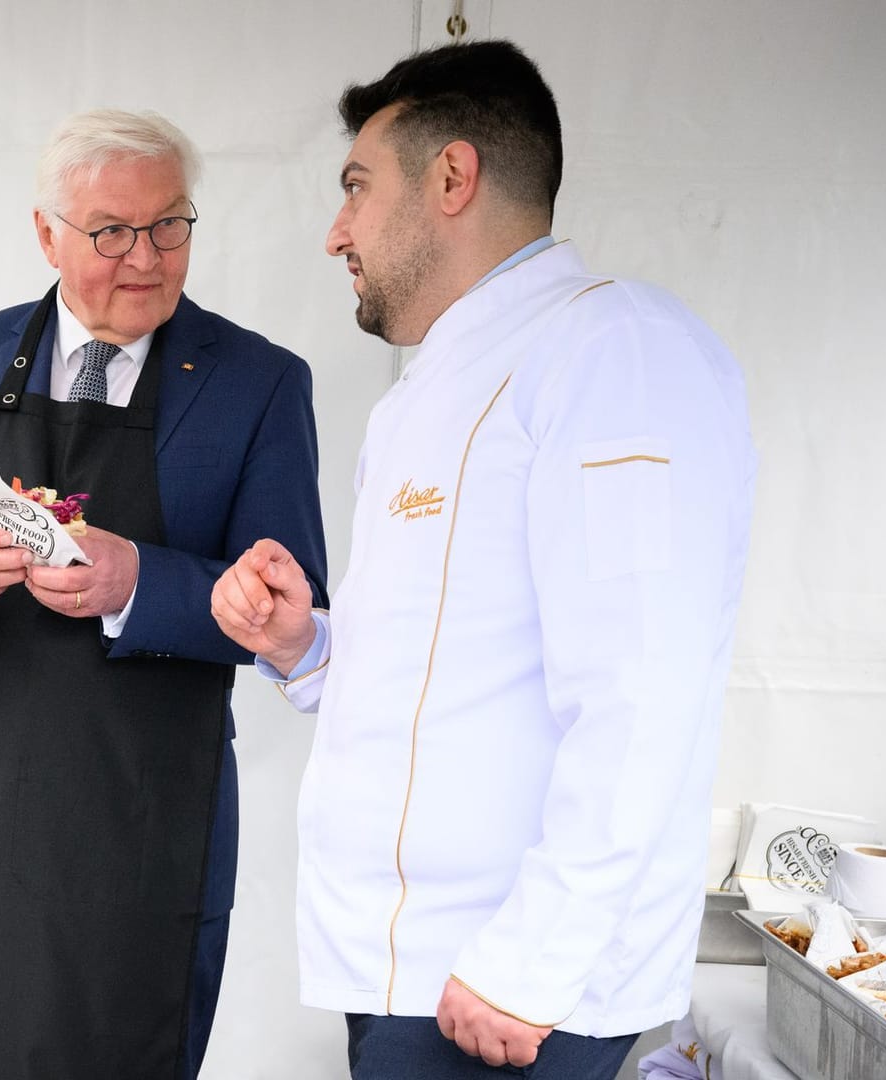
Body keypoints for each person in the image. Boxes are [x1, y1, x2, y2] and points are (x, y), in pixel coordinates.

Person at [210, 40, 755, 1080]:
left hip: (506, 989)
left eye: (356, 189)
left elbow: (645, 689)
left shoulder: (613, 351)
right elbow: (446, 668)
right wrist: (305, 645)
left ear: (453, 178)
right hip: (412, 972)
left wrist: (532, 960)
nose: (336, 233)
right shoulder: (431, 391)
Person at [0, 108, 327, 1079]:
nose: (145, 257)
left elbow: (292, 612)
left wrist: (137, 580)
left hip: (136, 829)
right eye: (111, 232)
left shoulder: (258, 385)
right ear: (46, 233)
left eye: (170, 226)